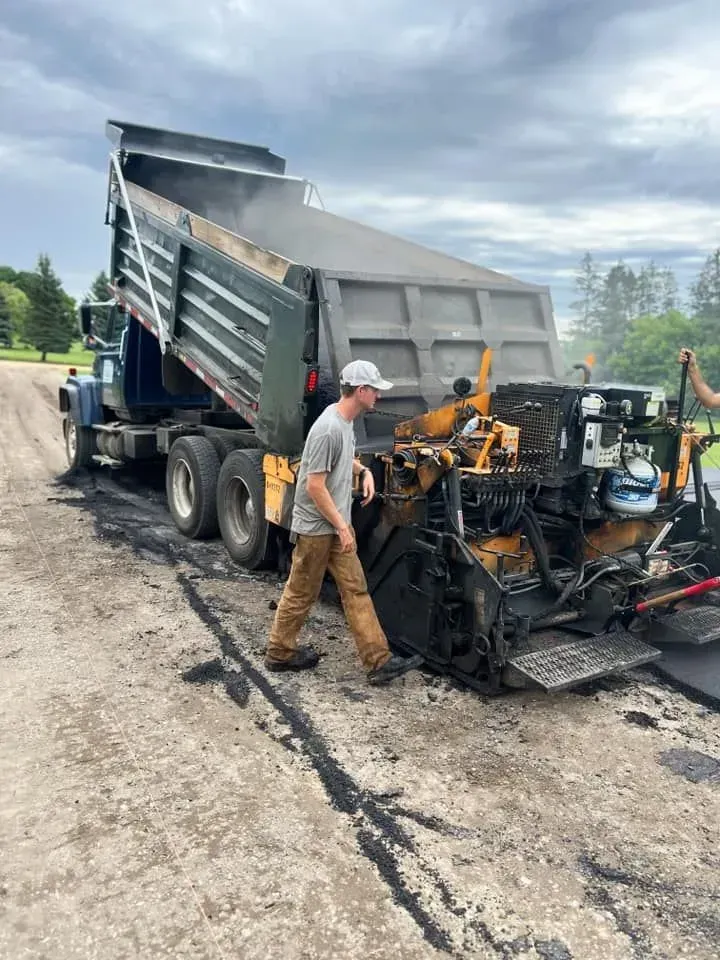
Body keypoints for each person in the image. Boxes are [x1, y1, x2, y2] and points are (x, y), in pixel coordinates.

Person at [264, 359, 424, 685]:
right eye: (375, 390)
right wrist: (340, 526)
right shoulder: (327, 428)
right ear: (360, 391)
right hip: (316, 529)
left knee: (356, 589)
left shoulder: (345, 422)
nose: (378, 395)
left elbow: (343, 457)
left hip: (335, 525)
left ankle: (379, 662)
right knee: (301, 592)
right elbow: (313, 485)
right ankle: (279, 653)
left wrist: (363, 472)